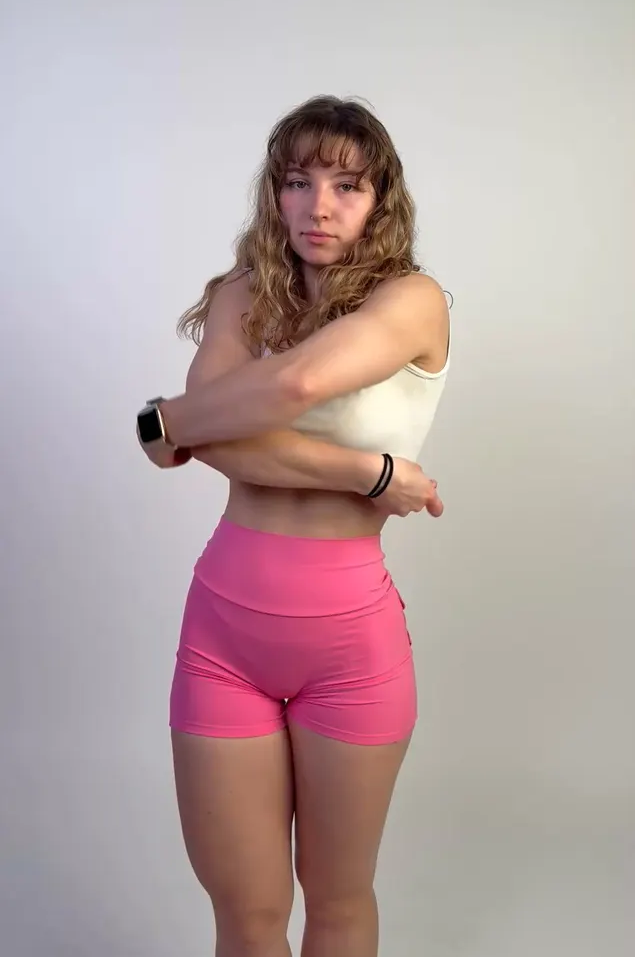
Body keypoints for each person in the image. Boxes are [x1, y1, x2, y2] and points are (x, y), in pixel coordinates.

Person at [136, 95, 450, 957]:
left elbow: (287, 389)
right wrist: (370, 473)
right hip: (223, 633)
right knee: (246, 912)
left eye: (348, 186)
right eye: (298, 181)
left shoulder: (413, 301)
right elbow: (207, 437)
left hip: (350, 645)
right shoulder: (242, 295)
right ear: (273, 192)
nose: (320, 206)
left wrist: (170, 421)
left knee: (338, 901)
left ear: (381, 199)